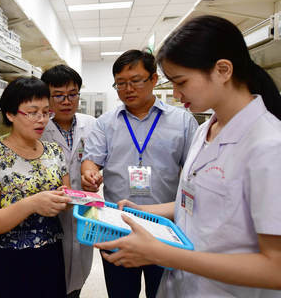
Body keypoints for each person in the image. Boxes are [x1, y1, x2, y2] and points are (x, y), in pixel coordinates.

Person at [96, 15, 281, 297]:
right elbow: (195, 204)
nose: (174, 93)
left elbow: (278, 270)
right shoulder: (206, 130)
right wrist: (139, 213)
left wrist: (163, 254)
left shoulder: (271, 147)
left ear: (222, 70)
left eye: (180, 81)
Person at [81, 49, 198, 298]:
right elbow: (91, 160)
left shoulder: (183, 122)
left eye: (135, 81)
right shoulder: (106, 123)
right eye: (120, 84)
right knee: (121, 291)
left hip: (166, 227)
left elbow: (195, 174)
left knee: (163, 291)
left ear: (153, 80)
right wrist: (90, 174)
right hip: (116, 225)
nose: (128, 89)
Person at [0, 77, 72, 298]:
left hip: (51, 256)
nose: (41, 120)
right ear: (10, 114)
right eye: (32, 112)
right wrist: (33, 203)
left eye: (46, 112)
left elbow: (67, 199)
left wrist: (68, 200)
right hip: (9, 261)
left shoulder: (55, 152)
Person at [41, 65, 97, 298]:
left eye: (72, 94)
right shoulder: (38, 127)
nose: (67, 101)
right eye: (59, 95)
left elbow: (97, 160)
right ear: (46, 97)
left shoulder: (92, 124)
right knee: (50, 279)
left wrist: (94, 176)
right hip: (49, 213)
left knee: (77, 277)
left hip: (84, 211)